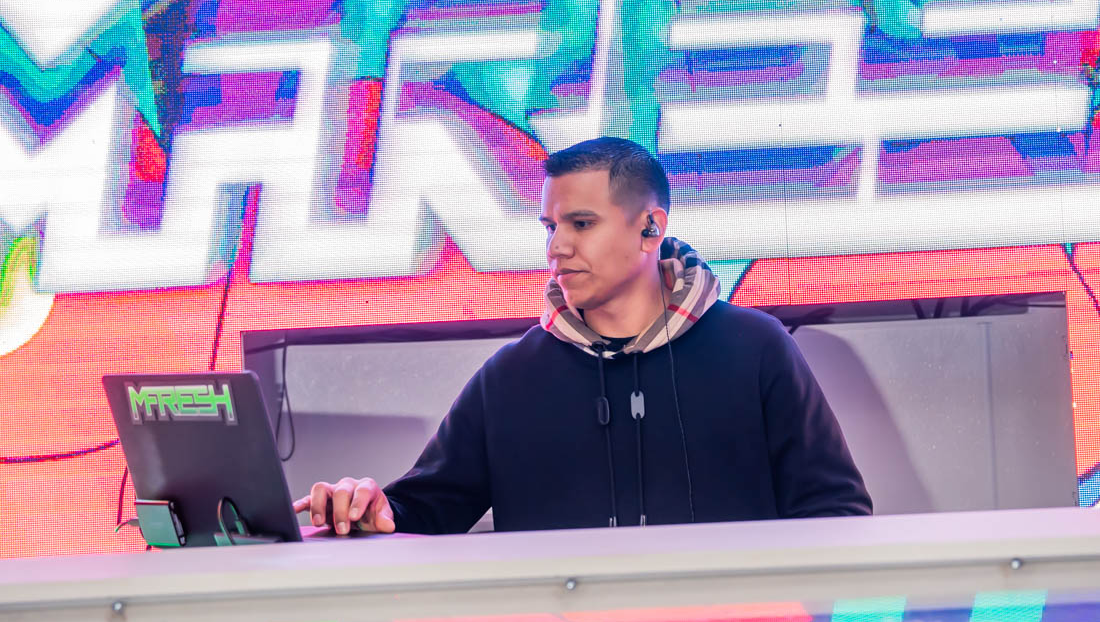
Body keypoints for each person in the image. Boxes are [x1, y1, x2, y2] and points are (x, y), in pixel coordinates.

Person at [293, 137, 872, 535]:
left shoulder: (755, 347)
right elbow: (425, 508)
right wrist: (368, 507)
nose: (557, 247)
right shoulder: (512, 376)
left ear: (650, 228)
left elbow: (835, 510)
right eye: (550, 226)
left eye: (581, 224)